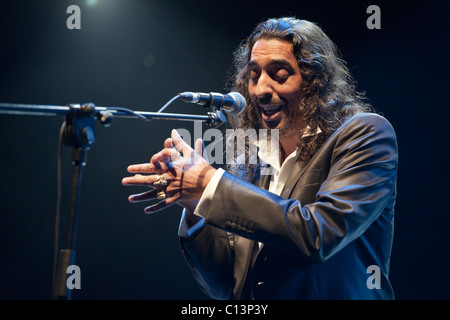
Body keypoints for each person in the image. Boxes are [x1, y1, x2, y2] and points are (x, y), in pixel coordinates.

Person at [122, 17, 398, 300]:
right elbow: (226, 287)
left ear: (316, 82)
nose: (260, 89)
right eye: (254, 76)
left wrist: (209, 182)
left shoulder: (365, 134)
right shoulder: (251, 160)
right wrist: (196, 206)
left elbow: (319, 234)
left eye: (279, 75)